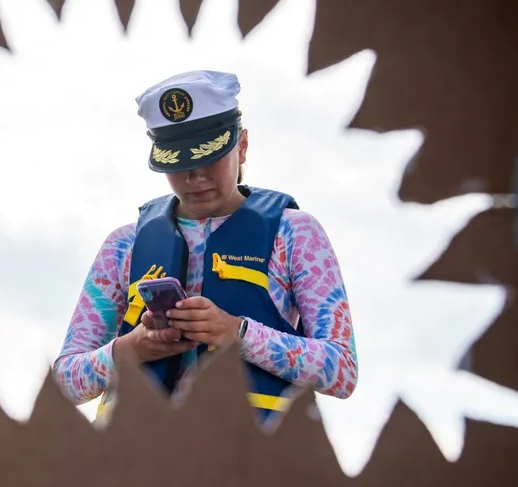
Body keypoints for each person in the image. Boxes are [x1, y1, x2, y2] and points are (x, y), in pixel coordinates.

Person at [51, 70, 358, 424]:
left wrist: (238, 333)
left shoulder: (295, 234)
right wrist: (130, 349)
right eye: (179, 164)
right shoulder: (123, 245)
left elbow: (342, 371)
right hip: (134, 463)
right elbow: (64, 383)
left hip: (250, 464)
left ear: (241, 146)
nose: (195, 178)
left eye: (207, 158)